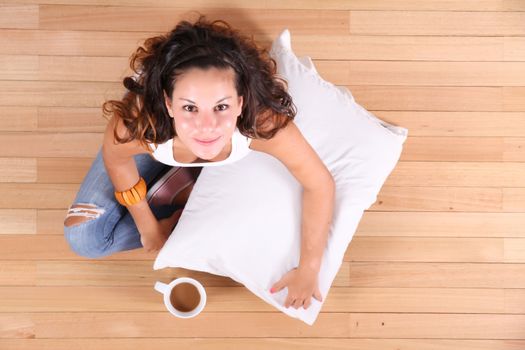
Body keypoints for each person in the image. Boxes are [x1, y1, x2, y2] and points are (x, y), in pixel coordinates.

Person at [63, 15, 334, 310]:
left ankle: (183, 191)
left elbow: (319, 183)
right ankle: (181, 193)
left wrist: (309, 268)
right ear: (169, 104)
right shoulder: (137, 122)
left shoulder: (263, 122)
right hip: (161, 136)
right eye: (190, 107)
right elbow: (117, 162)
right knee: (83, 237)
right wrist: (148, 226)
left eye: (221, 106)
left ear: (241, 103)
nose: (207, 127)